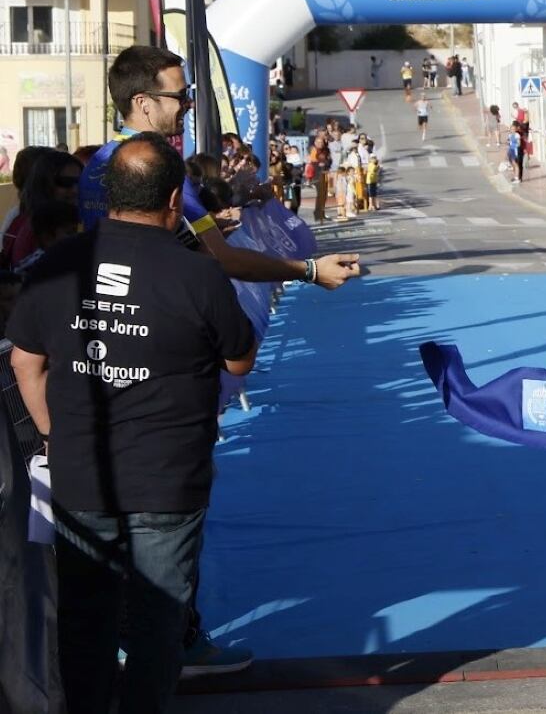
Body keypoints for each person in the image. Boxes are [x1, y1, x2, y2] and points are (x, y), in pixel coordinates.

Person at [79, 46, 362, 673]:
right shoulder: (165, 173)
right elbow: (223, 262)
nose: (187, 107)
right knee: (170, 512)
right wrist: (308, 269)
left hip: (99, 361)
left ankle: (124, 646)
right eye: (180, 95)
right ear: (142, 102)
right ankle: (174, 641)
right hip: (167, 368)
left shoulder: (97, 170)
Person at [5, 132, 259, 713]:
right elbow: (239, 358)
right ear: (174, 200)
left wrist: (51, 431)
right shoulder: (198, 274)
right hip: (167, 475)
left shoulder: (57, 264)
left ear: (109, 193)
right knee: (159, 621)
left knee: (85, 618)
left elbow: (25, 361)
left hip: (80, 472)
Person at [2, 150, 82, 270]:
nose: (75, 190)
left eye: (80, 183)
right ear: (44, 184)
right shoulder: (38, 228)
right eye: (65, 182)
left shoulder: (62, 221)